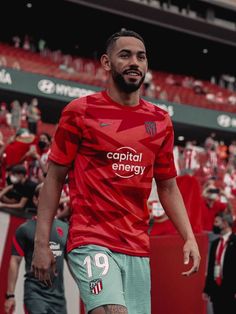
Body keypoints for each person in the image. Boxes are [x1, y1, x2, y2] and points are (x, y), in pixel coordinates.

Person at [31, 29, 200, 314]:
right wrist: (41, 243)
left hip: (136, 246)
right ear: (107, 63)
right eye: (125, 55)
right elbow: (54, 178)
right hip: (90, 239)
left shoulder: (160, 122)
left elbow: (168, 187)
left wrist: (190, 237)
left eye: (141, 57)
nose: (135, 62)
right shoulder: (79, 112)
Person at [4, 184, 69, 314]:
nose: (51, 198)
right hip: (35, 295)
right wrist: (10, 295)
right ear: (35, 199)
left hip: (59, 299)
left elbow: (72, 262)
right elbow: (15, 261)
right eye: (45, 195)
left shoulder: (65, 229)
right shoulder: (25, 229)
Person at [203, 211, 236, 314]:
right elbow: (210, 267)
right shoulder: (215, 243)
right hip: (216, 290)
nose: (214, 224)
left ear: (225, 223)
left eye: (217, 222)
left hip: (231, 290)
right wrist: (206, 289)